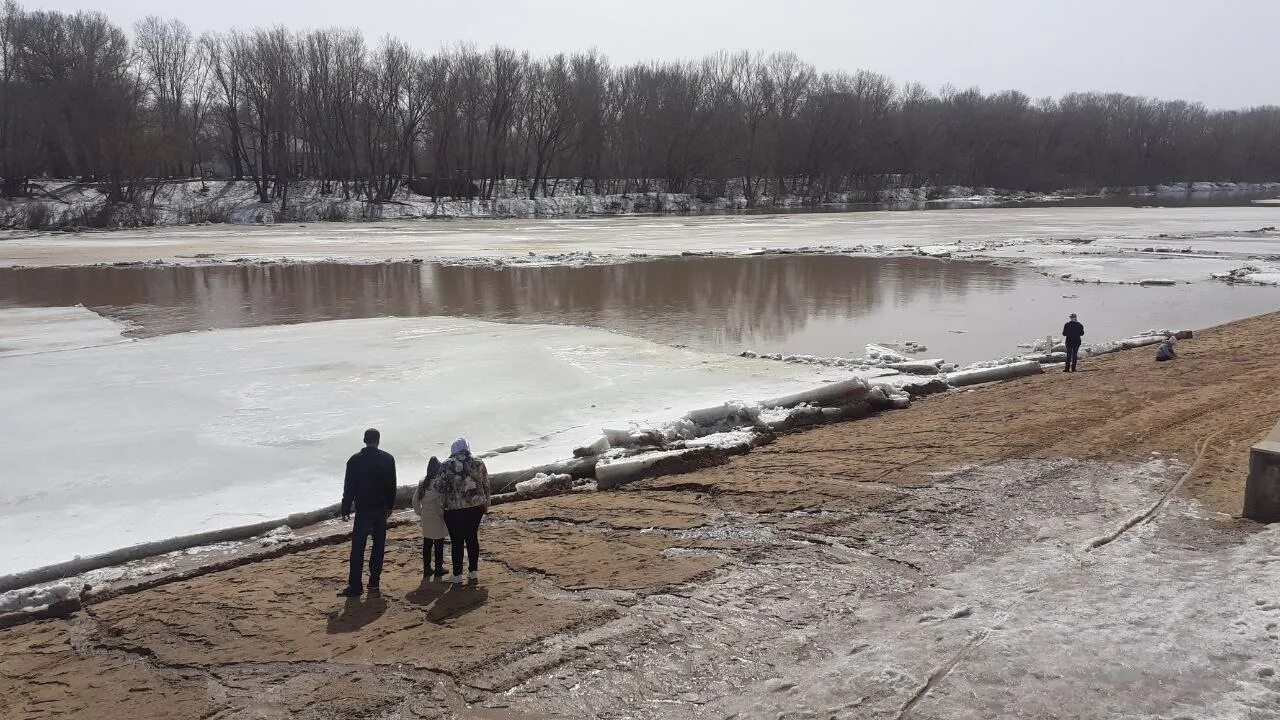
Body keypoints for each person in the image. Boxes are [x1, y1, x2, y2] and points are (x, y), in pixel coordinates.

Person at [338, 428, 397, 597]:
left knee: (358, 548)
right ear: (378, 440)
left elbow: (349, 486)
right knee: (378, 547)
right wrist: (391, 506)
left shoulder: (355, 461)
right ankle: (374, 582)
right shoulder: (388, 459)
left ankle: (356, 586)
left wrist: (345, 508)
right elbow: (392, 484)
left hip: (363, 510)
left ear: (364, 440)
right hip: (381, 508)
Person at [431, 438, 490, 584]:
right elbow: (486, 483)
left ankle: (457, 575)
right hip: (476, 507)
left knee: (456, 541)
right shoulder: (478, 462)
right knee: (472, 538)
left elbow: (438, 486)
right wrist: (486, 502)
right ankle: (473, 571)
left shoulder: (446, 465)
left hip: (453, 509)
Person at [411, 456, 447, 580]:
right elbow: (444, 501)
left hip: (426, 516)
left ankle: (427, 569)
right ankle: (438, 569)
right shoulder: (440, 483)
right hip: (438, 516)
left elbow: (415, 501)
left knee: (427, 543)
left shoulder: (422, 483)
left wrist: (420, 512)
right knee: (439, 544)